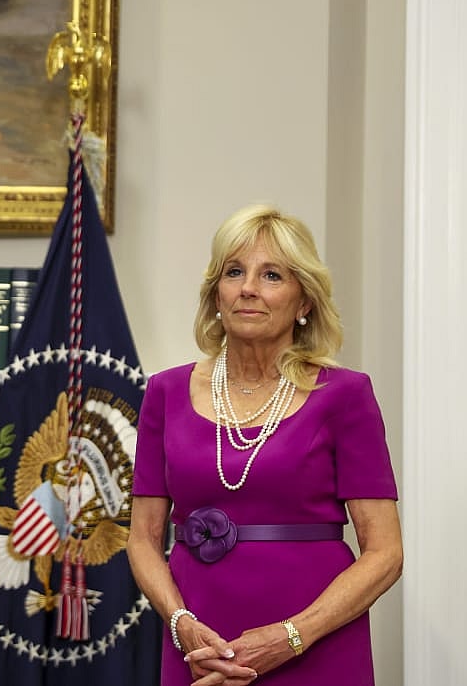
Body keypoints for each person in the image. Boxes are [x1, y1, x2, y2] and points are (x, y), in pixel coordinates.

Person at [126, 205, 402, 685]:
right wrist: (180, 623)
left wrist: (291, 636)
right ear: (216, 293)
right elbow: (143, 539)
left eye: (271, 274)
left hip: (315, 639)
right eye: (234, 272)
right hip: (199, 642)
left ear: (304, 302)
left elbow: (385, 552)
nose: (248, 287)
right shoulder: (164, 392)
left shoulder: (345, 395)